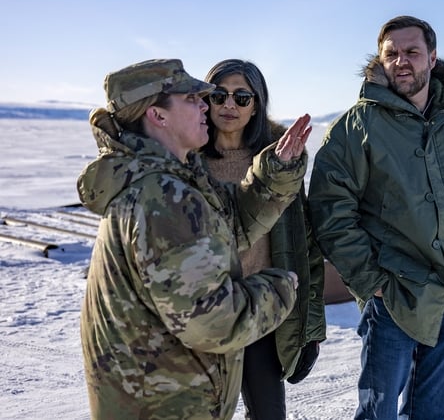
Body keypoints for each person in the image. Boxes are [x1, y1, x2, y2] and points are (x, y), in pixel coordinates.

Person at [77, 58, 312, 419]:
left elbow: (229, 225)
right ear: (158, 116)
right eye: (193, 99)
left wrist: (272, 176)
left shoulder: (171, 180)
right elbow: (213, 323)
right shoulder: (162, 197)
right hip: (163, 402)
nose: (208, 105)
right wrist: (278, 288)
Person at [308, 15, 444, 419]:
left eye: (412, 52)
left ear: (432, 58)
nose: (401, 61)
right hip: (395, 294)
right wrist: (371, 281)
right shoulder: (356, 127)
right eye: (391, 54)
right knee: (378, 412)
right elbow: (331, 211)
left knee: (430, 411)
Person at [201, 59, 326, 419]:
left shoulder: (278, 161)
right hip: (203, 312)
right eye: (218, 95)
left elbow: (305, 245)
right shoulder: (186, 158)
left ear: (256, 104)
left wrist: (311, 323)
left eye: (242, 97)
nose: (228, 105)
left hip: (260, 308)